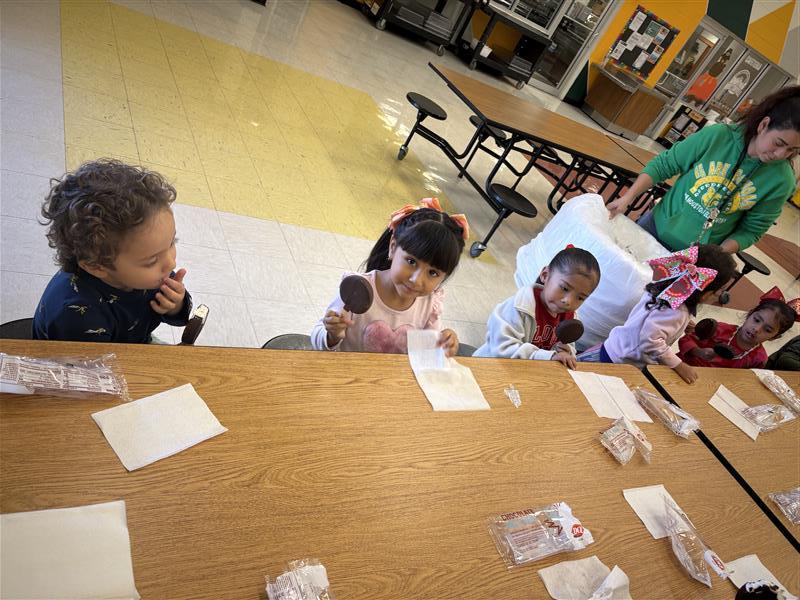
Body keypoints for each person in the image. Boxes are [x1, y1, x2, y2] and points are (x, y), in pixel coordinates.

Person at [607, 86, 799, 253]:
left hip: (696, 255)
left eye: (793, 150)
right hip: (655, 227)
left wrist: (716, 253)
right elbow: (665, 165)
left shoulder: (782, 180)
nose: (781, 154)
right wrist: (628, 197)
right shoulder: (719, 136)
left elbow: (751, 231)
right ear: (763, 125)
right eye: (779, 143)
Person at [33, 160, 192, 343]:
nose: (171, 263)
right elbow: (89, 361)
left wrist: (175, 305)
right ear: (96, 266)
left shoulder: (153, 273)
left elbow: (176, 314)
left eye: (172, 243)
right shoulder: (75, 315)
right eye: (151, 260)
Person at [310, 198, 467, 356]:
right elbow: (317, 341)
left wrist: (444, 343)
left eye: (433, 273)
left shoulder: (429, 305)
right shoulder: (357, 289)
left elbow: (428, 349)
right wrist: (332, 336)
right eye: (411, 261)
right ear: (393, 247)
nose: (416, 280)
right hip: (348, 369)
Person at [578, 245, 736, 383]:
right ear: (705, 291)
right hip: (619, 361)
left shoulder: (667, 291)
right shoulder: (677, 311)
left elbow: (651, 318)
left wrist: (682, 325)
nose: (719, 296)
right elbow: (650, 340)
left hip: (615, 347)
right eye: (720, 291)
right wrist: (678, 365)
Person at [473, 246, 600, 369]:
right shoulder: (519, 307)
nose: (568, 301)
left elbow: (568, 346)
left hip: (527, 371)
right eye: (565, 288)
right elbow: (503, 348)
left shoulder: (570, 318)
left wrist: (567, 352)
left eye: (580, 298)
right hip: (489, 367)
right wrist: (548, 356)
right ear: (545, 275)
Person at [679, 286, 799, 369]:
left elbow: (743, 380)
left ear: (775, 337)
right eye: (756, 320)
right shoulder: (719, 329)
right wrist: (698, 351)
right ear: (749, 314)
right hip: (680, 366)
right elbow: (686, 340)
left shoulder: (758, 359)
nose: (757, 329)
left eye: (767, 330)